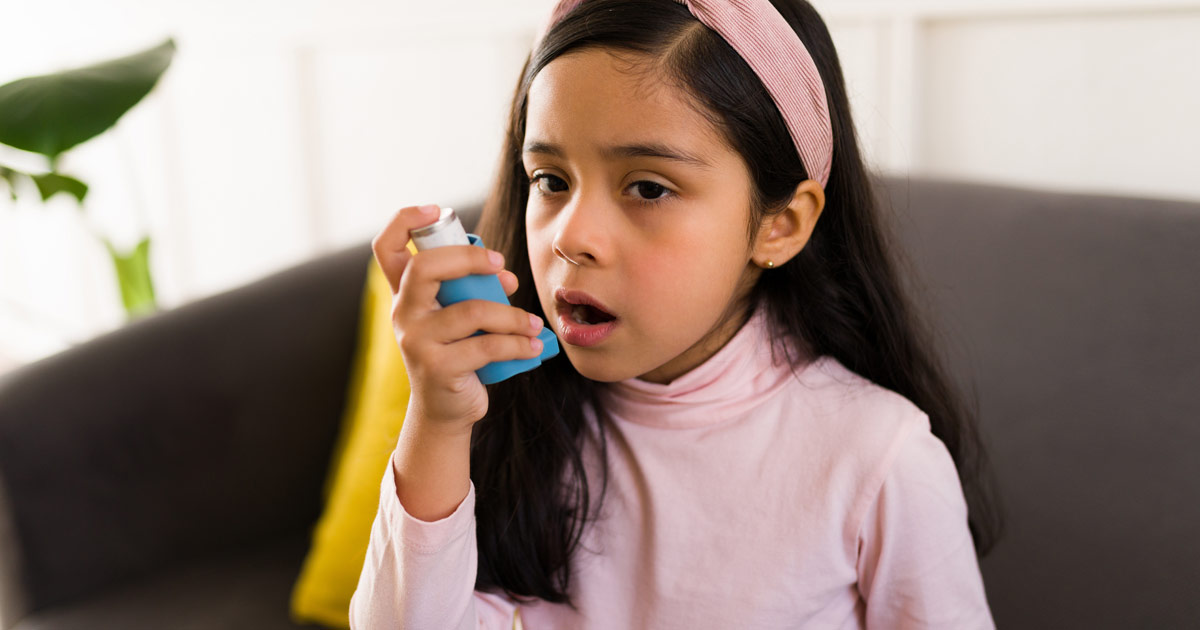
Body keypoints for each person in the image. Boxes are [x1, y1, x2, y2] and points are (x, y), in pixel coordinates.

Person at [351, 0, 1003, 627]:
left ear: (780, 225)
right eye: (551, 180)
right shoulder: (523, 418)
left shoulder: (879, 458)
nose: (570, 238)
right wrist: (437, 417)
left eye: (648, 188)